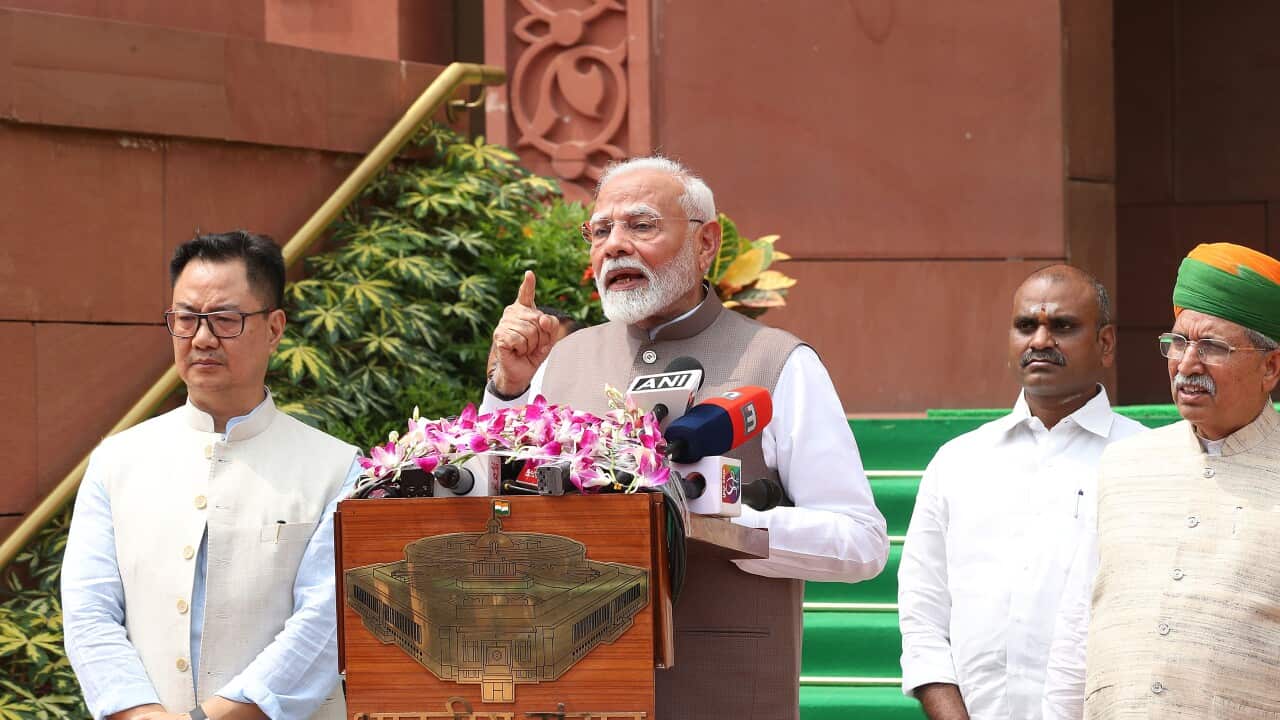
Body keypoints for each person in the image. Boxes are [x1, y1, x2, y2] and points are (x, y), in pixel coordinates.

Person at [483, 156, 888, 719]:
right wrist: (508, 390)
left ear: (706, 244)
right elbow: (498, 511)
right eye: (600, 231)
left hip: (722, 689)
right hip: (577, 687)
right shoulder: (565, 358)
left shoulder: (778, 361)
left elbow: (862, 543)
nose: (614, 245)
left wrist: (729, 526)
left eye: (641, 225)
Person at [62, 231, 360, 720]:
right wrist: (141, 714)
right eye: (186, 318)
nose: (201, 338)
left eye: (224, 319)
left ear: (274, 328)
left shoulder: (339, 469)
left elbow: (325, 627)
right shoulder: (116, 461)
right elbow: (88, 611)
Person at [1042, 243, 1280, 719]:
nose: (1187, 364)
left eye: (1213, 347)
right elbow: (1077, 627)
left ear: (1270, 367)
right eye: (1178, 342)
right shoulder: (1123, 465)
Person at [897, 265, 1146, 720]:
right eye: (1026, 325)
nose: (1040, 341)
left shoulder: (1145, 460)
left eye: (1063, 326)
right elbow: (922, 616)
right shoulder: (958, 463)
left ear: (1106, 343)